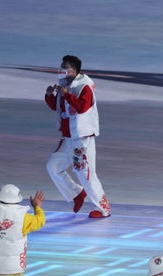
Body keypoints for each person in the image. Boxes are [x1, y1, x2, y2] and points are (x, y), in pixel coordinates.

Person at [44, 55, 111, 218]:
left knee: (85, 173)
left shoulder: (85, 86)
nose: (61, 68)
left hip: (81, 138)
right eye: (61, 65)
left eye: (64, 66)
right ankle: (77, 193)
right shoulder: (64, 84)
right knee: (53, 166)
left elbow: (82, 107)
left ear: (73, 70)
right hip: (67, 137)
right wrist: (49, 96)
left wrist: (66, 94)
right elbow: (58, 108)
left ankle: (103, 208)